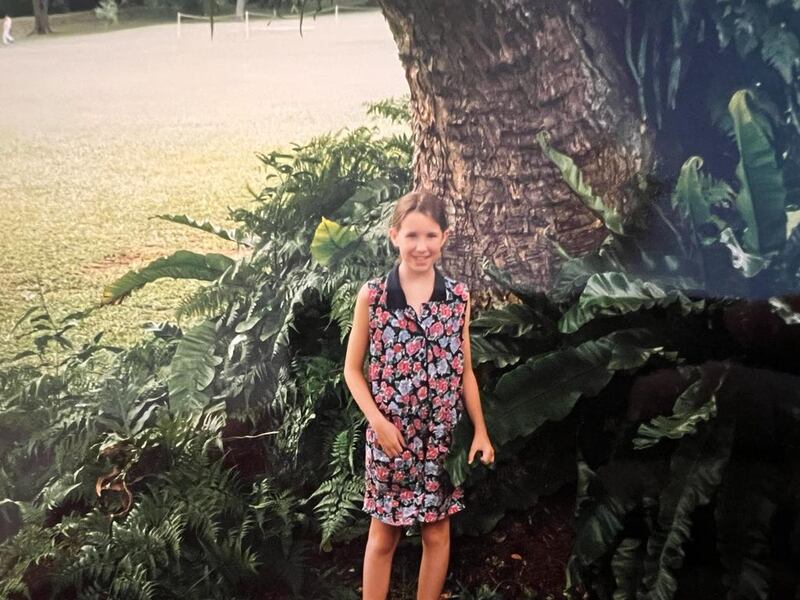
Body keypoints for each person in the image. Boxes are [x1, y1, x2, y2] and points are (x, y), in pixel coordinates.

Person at [344, 190, 495, 600]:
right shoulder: (373, 297)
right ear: (394, 236)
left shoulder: (457, 298)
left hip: (441, 440)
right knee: (383, 535)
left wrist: (480, 431)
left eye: (430, 235)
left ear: (444, 236)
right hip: (391, 439)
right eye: (411, 236)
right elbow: (351, 371)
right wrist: (377, 422)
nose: (421, 246)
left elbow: (465, 371)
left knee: (437, 533)